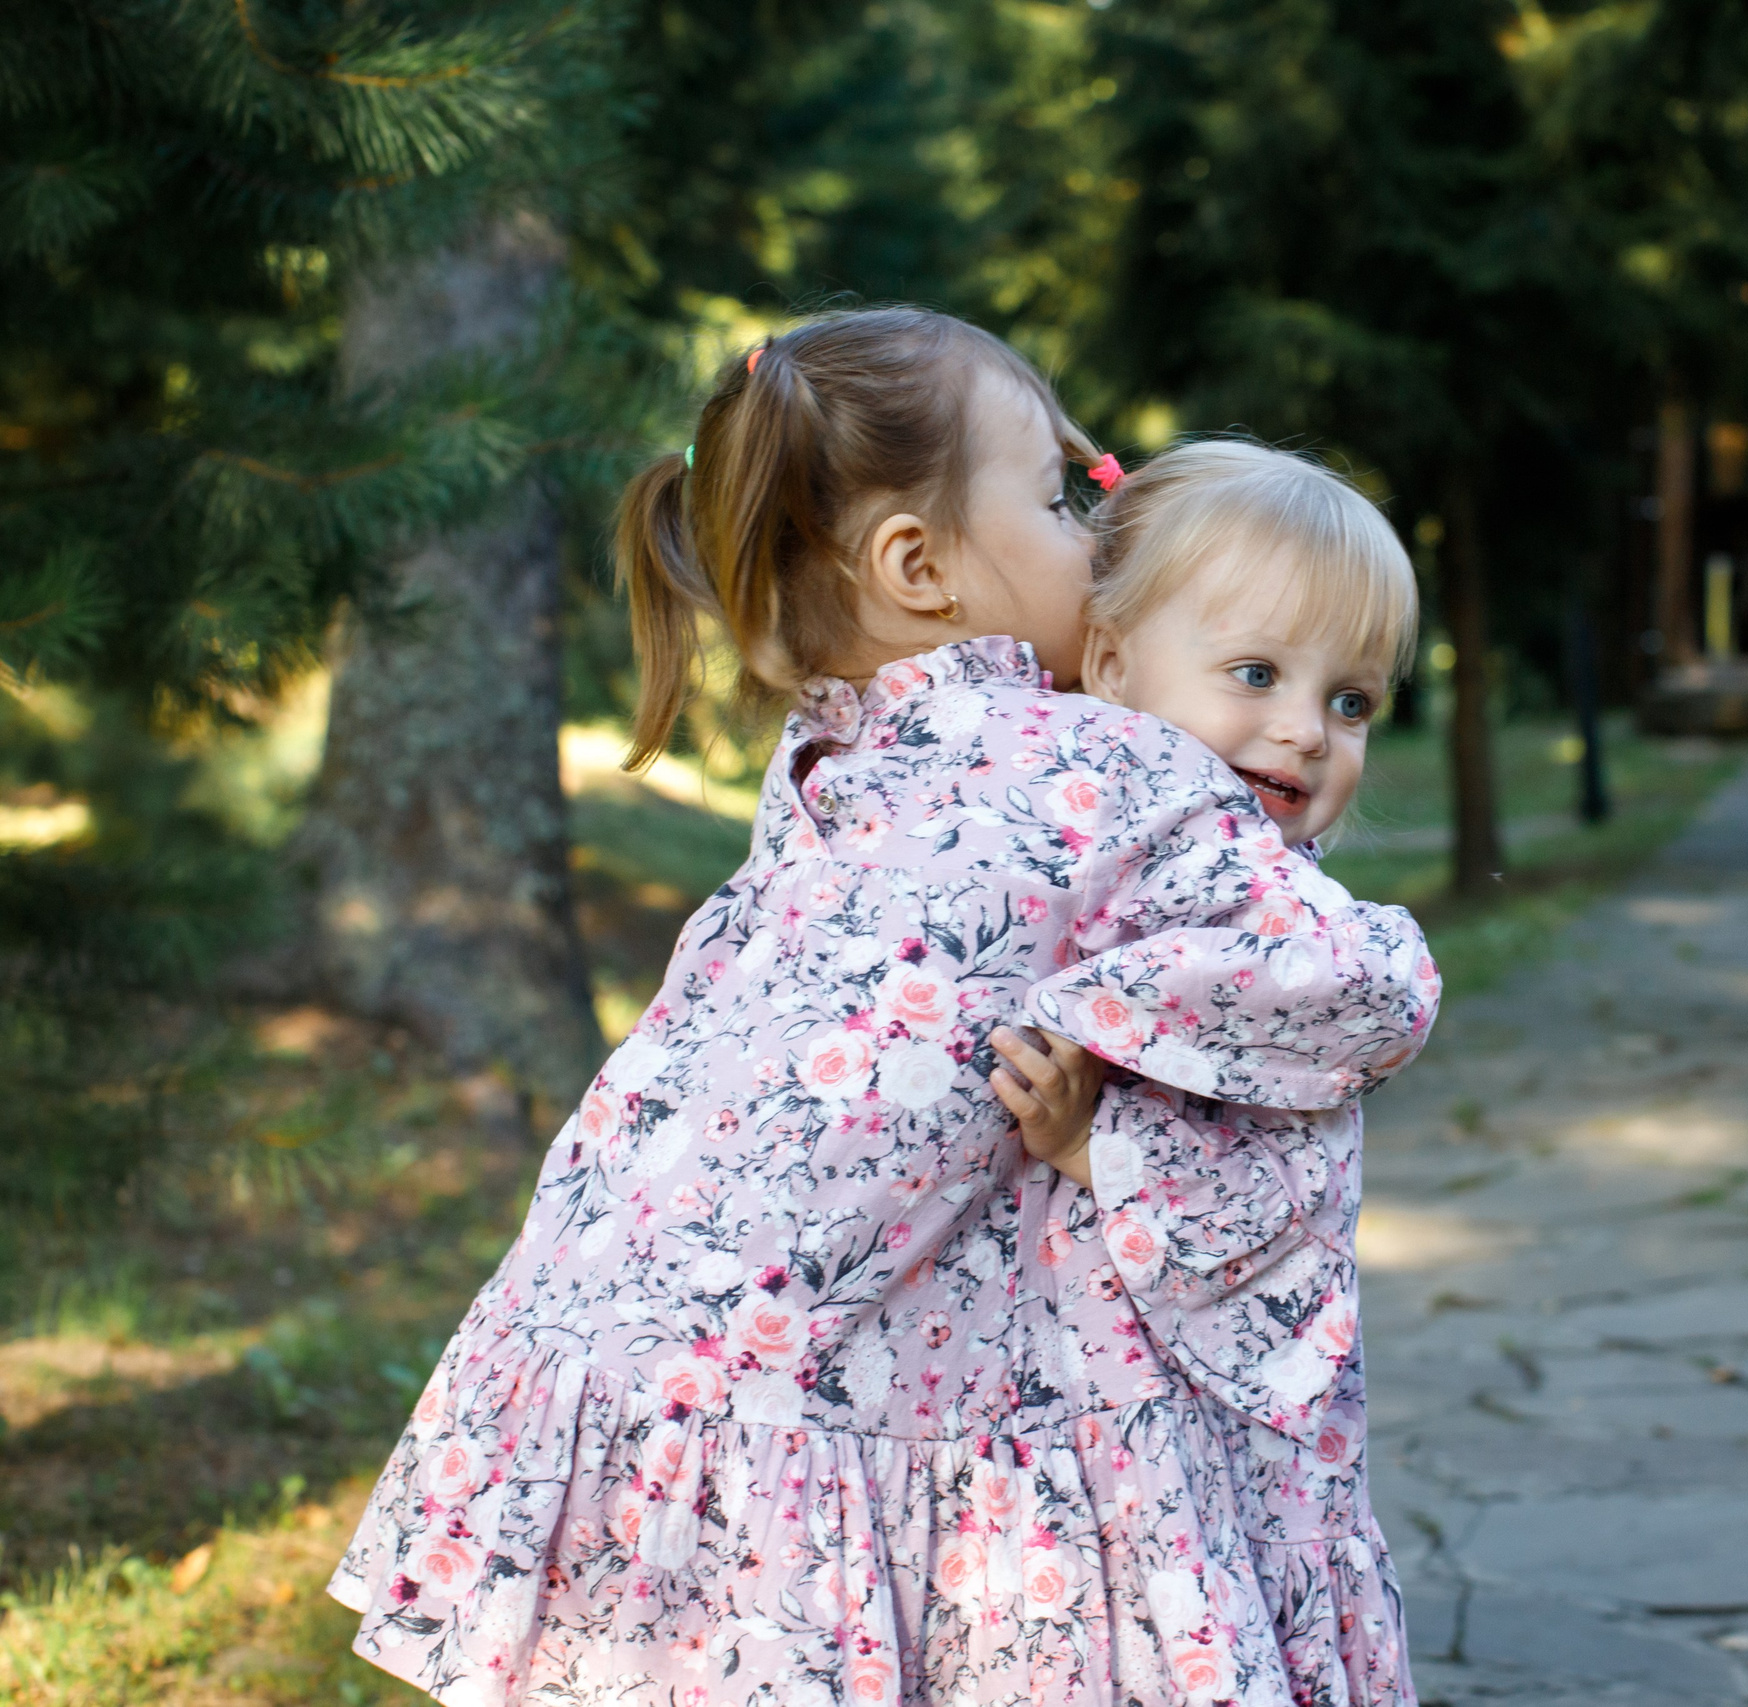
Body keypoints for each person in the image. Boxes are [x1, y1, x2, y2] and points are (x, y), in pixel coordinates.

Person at [325, 309, 1437, 1707]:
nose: (1098, 534)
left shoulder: (828, 762)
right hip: (897, 1390)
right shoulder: (1097, 766)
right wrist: (1141, 1051)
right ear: (919, 566)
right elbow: (1362, 986)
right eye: (1060, 498)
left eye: (1352, 701)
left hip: (651, 1360)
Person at [986, 440, 1425, 1707]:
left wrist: (1097, 1147)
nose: (1305, 730)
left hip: (1208, 1432)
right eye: (1256, 674)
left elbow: (1287, 1193)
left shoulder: (1277, 928)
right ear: (1112, 662)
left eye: (1351, 702)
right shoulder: (1046, 839)